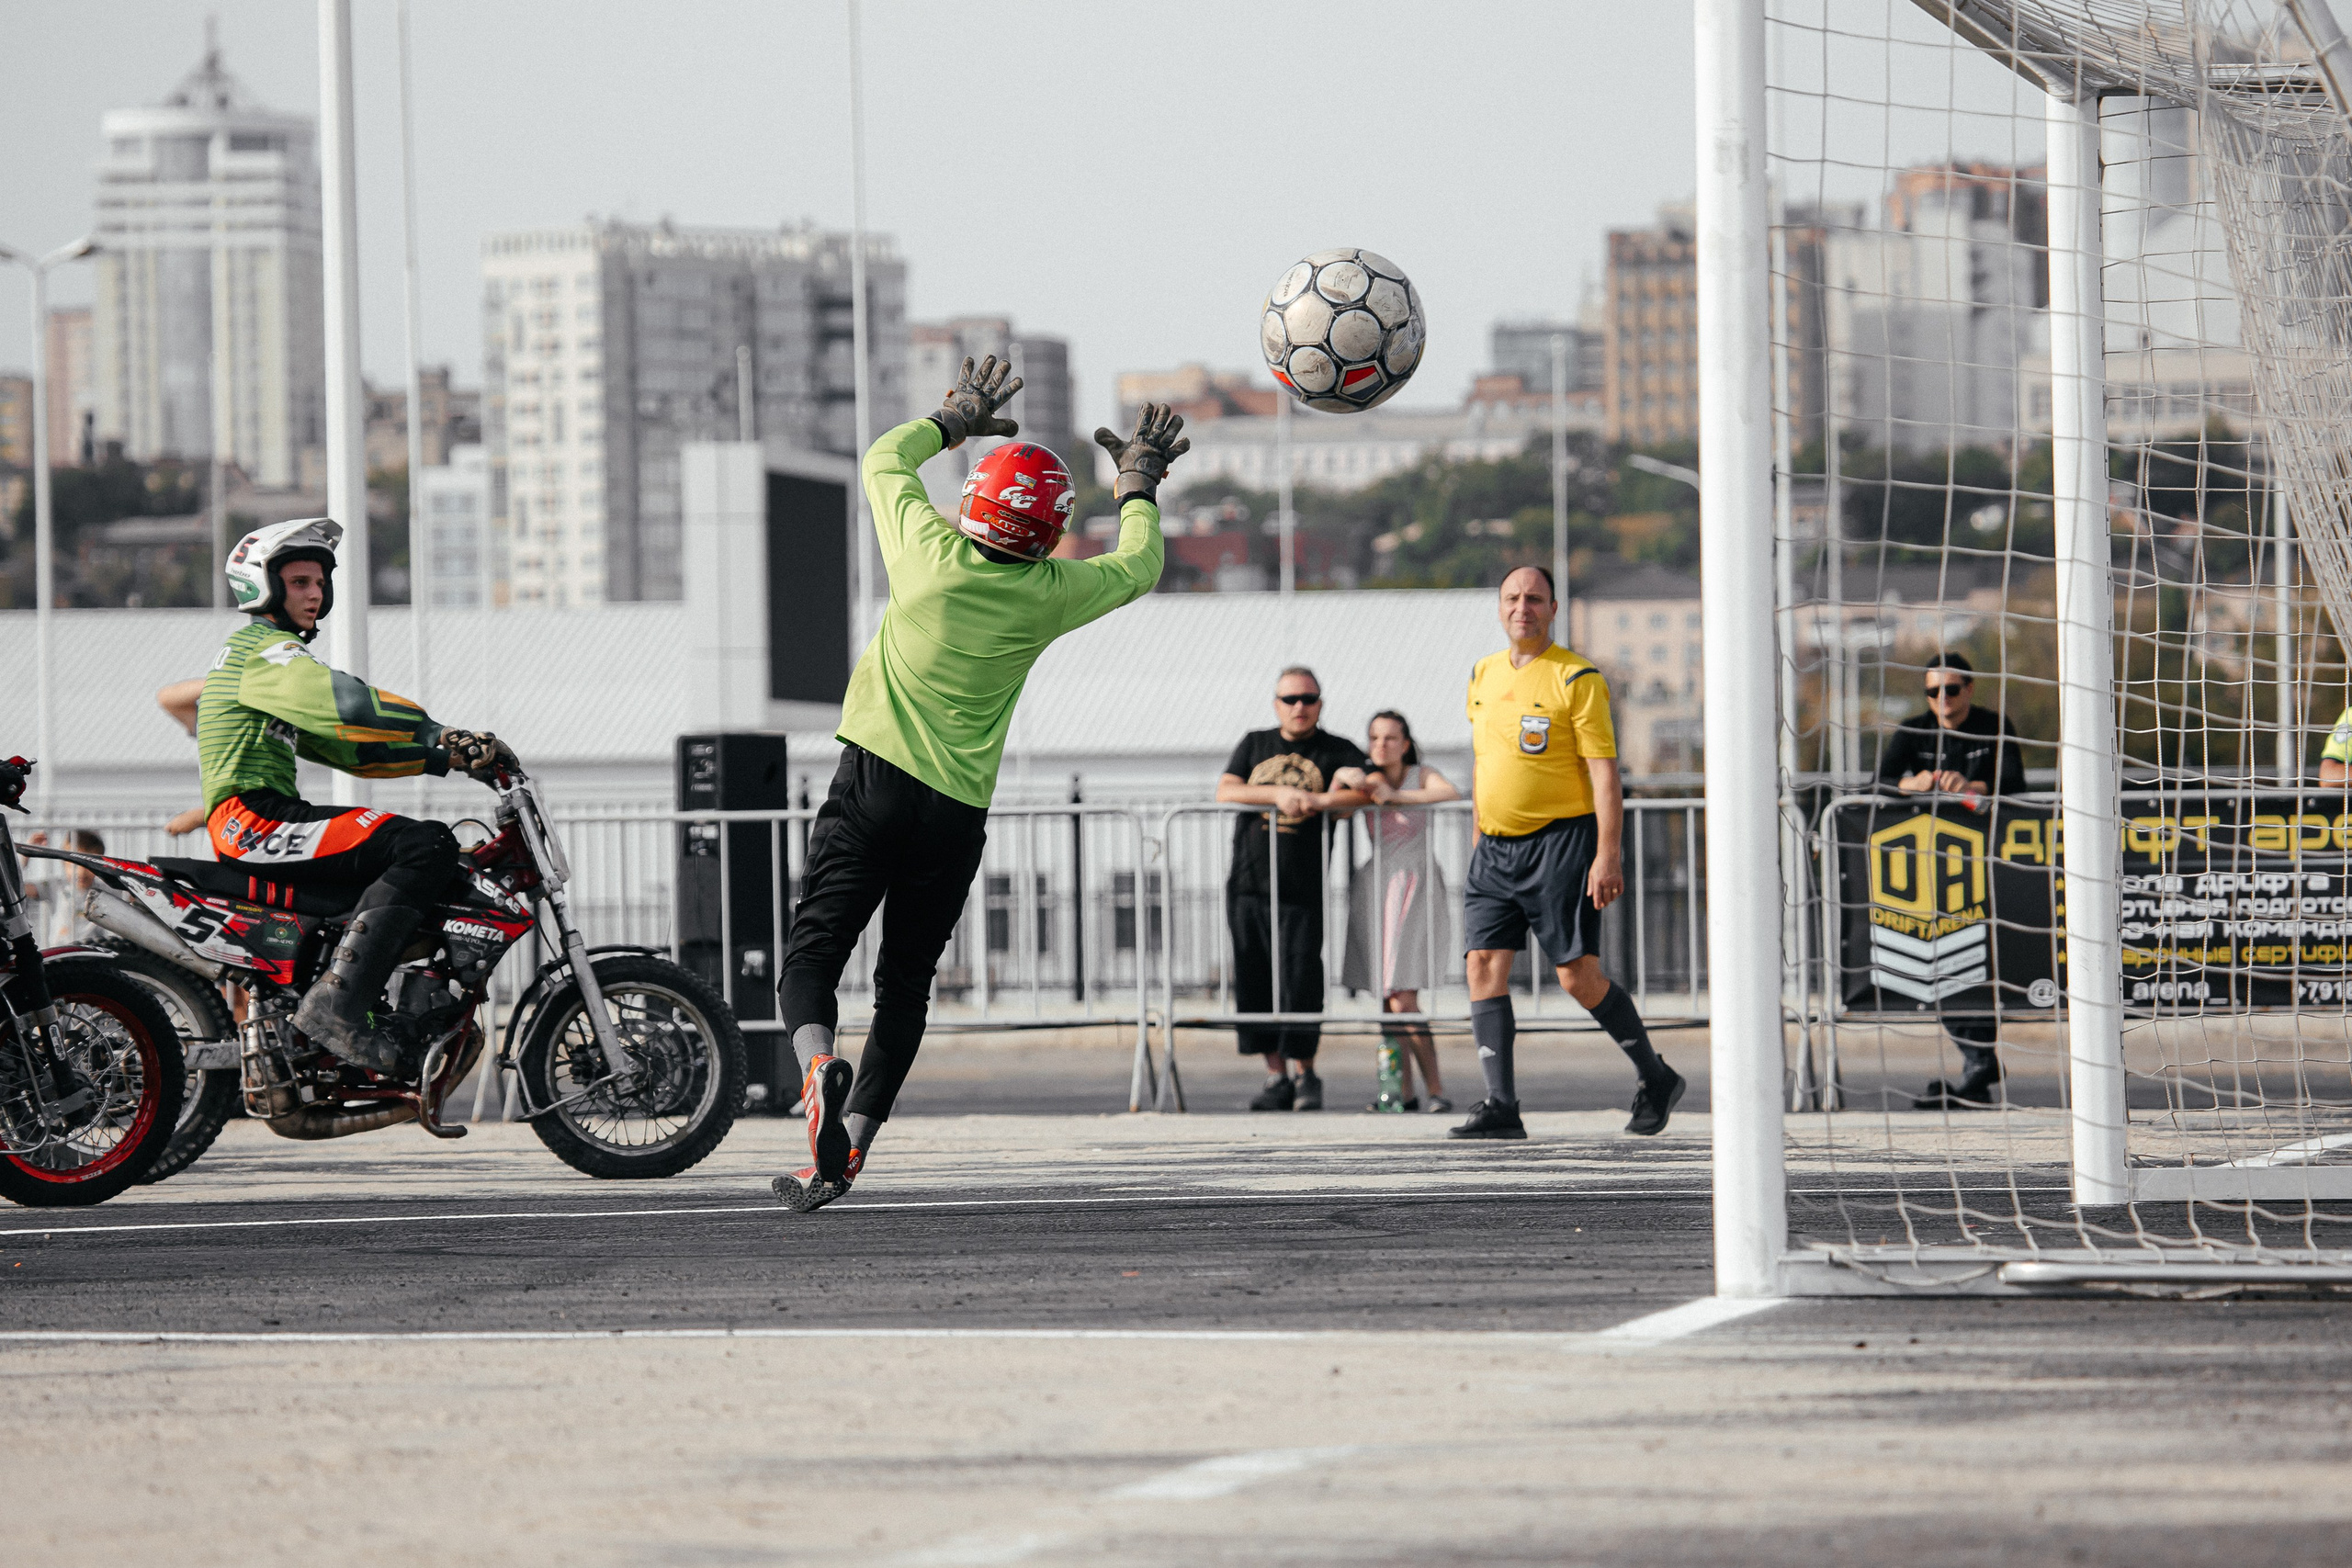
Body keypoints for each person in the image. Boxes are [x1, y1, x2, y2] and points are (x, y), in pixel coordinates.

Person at [771, 358, 1184, 1212]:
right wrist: (1136, 485)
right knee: (906, 983)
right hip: (954, 811)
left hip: (874, 780)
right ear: (1049, 534)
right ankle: (847, 1152)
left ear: (974, 506)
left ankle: (816, 1066)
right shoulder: (1049, 592)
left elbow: (885, 459)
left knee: (812, 956)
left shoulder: (925, 558)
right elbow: (1138, 567)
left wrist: (953, 420)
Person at [198, 517, 511, 1071]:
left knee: (411, 852)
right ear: (265, 587)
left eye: (319, 582)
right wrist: (440, 731)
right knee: (424, 845)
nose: (315, 593)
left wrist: (447, 758)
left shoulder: (268, 658)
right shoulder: (264, 653)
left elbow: (349, 748)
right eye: (299, 582)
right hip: (253, 820)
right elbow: (349, 704)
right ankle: (339, 1009)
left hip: (263, 817)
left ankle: (350, 1005)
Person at [1453, 566, 1682, 1141]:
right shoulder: (1482, 673)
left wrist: (1609, 854)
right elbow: (1486, 762)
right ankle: (1501, 1105)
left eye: (1533, 599)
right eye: (1512, 598)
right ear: (1499, 607)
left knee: (1577, 977)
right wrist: (1481, 833)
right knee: (1481, 965)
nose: (1521, 608)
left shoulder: (1577, 678)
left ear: (1553, 609)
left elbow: (1606, 775)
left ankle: (1655, 1077)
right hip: (1495, 847)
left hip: (1561, 843)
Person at [1874, 652, 2029, 1110]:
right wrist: (1915, 783)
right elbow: (1878, 781)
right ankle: (1978, 1065)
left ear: (1970, 688)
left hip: (1985, 860)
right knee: (1941, 957)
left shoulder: (1992, 726)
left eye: (1952, 689)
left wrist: (1971, 788)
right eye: (1933, 690)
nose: (1942, 698)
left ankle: (1978, 1066)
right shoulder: (1913, 729)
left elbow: (2016, 785)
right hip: (1928, 865)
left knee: (1977, 957)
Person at [1216, 668, 1369, 1111]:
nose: (1299, 706)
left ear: (1320, 703)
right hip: (1249, 883)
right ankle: (1274, 1076)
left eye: (1308, 698)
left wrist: (1330, 793)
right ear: (1275, 704)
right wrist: (1276, 794)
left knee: (1301, 975)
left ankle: (1305, 1072)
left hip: (1303, 885)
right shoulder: (1254, 743)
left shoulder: (1336, 749)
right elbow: (1226, 791)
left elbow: (1369, 789)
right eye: (1290, 699)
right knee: (1254, 976)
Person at [1334, 711, 1459, 1112]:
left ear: (1405, 743)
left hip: (1415, 881)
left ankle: (1436, 1089)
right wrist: (1341, 777)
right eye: (1374, 738)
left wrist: (1398, 797)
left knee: (1404, 995)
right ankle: (1398, 1092)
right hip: (1379, 884)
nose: (1381, 745)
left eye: (1390, 738)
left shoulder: (1421, 775)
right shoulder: (1368, 780)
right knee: (1388, 999)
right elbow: (1336, 810)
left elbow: (1450, 794)